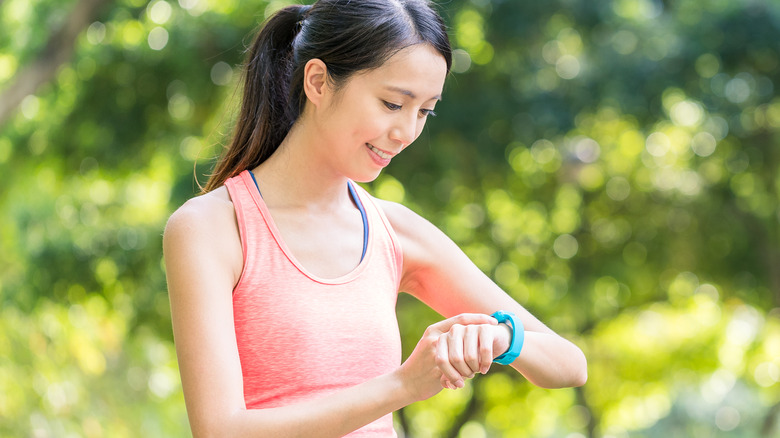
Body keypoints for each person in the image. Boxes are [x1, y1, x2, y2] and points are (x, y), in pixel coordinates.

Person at [163, 0, 587, 436]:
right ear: (318, 82)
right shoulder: (212, 228)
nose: (407, 133)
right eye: (391, 104)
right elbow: (220, 431)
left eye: (424, 111)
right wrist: (403, 385)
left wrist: (500, 338)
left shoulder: (394, 232)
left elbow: (569, 364)